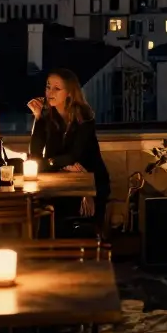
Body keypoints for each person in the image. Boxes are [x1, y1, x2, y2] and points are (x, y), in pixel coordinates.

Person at [27, 67, 111, 235]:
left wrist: (51, 163)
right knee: (41, 212)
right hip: (61, 182)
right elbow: (34, 156)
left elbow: (75, 156)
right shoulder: (48, 117)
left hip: (91, 182)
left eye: (56, 88)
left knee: (72, 221)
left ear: (70, 93)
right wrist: (38, 119)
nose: (50, 92)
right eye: (48, 86)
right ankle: (49, 253)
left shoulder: (84, 118)